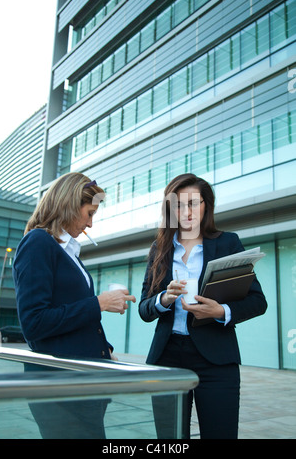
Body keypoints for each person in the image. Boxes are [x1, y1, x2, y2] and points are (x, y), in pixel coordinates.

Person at [139, 173, 267, 439]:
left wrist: (221, 312)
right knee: (171, 441)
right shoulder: (159, 248)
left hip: (217, 359)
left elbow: (257, 301)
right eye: (179, 205)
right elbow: (144, 308)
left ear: (206, 205)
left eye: (193, 203)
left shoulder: (227, 243)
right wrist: (164, 300)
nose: (186, 212)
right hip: (167, 358)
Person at [13, 172, 136, 439]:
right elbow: (34, 323)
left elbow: (72, 315)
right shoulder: (37, 244)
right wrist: (99, 303)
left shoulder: (65, 250)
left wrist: (105, 351)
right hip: (59, 386)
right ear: (69, 205)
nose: (90, 224)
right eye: (89, 213)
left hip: (80, 382)